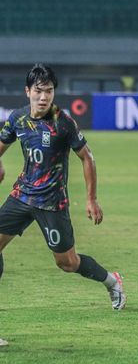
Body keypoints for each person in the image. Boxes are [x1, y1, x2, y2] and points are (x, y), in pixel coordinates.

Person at [0, 64, 126, 328]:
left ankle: (112, 282)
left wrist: (91, 199)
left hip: (52, 203)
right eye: (39, 91)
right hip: (22, 195)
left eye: (49, 91)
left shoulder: (63, 123)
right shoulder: (17, 119)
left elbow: (87, 157)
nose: (44, 97)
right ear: (27, 92)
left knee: (67, 263)